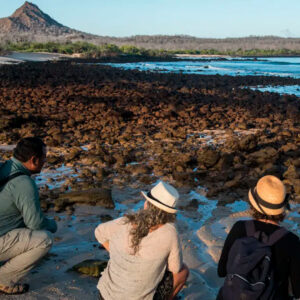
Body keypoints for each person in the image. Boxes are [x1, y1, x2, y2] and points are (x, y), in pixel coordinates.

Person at [95, 181, 189, 300]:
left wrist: (114, 252)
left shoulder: (124, 222)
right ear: (169, 213)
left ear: (146, 204)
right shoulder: (170, 233)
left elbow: (98, 232)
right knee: (183, 271)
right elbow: (175, 269)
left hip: (105, 296)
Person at [217, 175, 300, 299]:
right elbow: (298, 290)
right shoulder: (291, 241)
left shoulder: (239, 228)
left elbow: (221, 271)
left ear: (254, 204)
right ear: (282, 208)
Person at [0, 137, 57, 295]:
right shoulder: (24, 183)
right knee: (44, 240)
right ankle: (3, 279)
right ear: (34, 160)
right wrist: (53, 225)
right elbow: (36, 224)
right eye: (44, 158)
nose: (45, 161)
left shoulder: (5, 167)